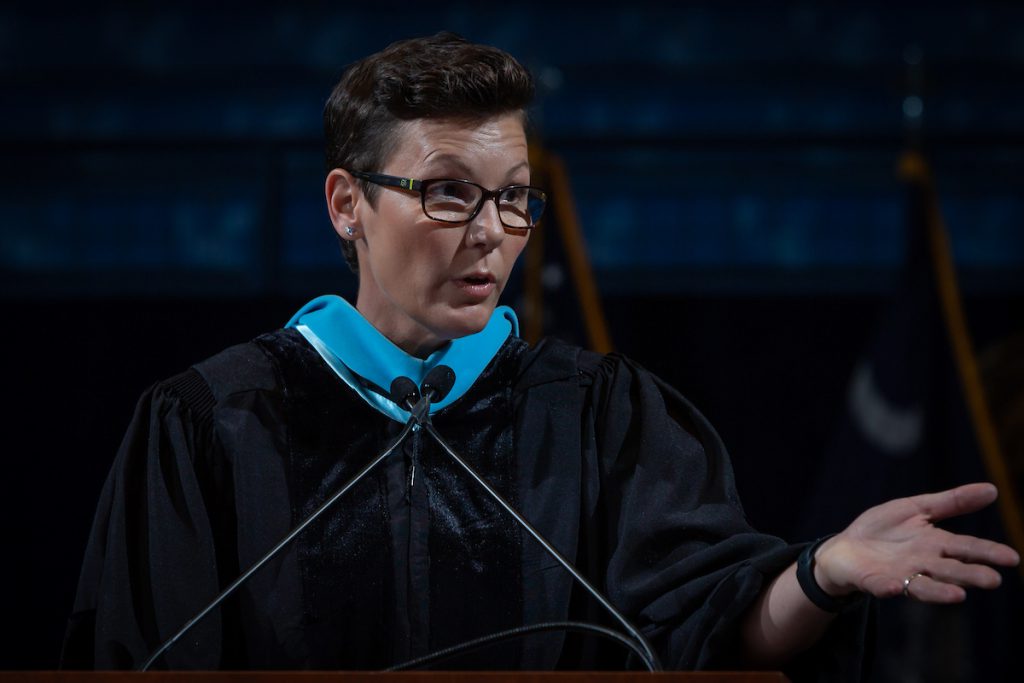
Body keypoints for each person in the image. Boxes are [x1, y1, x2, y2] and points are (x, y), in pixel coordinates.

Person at [61, 32, 1019, 677]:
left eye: (515, 195)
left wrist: (820, 573)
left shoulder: (601, 416)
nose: (492, 233)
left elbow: (709, 631)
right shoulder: (210, 425)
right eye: (448, 192)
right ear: (346, 204)